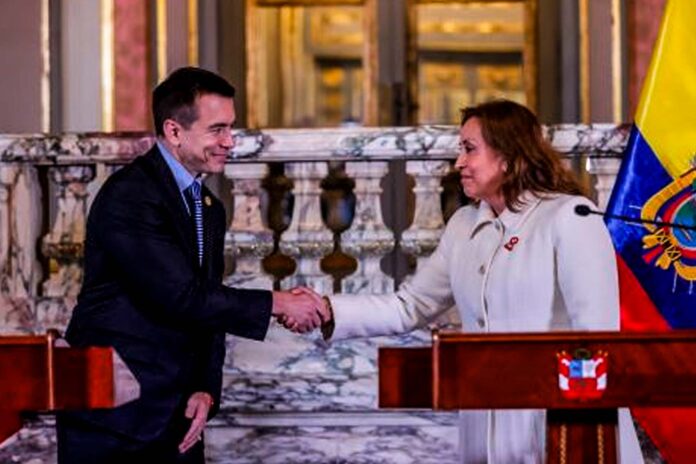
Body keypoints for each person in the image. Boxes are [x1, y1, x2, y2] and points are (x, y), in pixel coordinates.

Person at [317, 100, 644, 463]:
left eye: (469, 149)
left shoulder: (570, 216)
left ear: (508, 156)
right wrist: (325, 310)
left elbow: (597, 341)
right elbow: (409, 306)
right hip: (483, 430)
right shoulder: (462, 225)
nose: (459, 162)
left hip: (561, 432)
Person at [56, 67, 325, 463]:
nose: (229, 141)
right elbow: (182, 296)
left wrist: (205, 388)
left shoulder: (208, 206)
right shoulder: (131, 195)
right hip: (113, 417)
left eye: (231, 128)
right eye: (217, 129)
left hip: (177, 415)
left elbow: (208, 305)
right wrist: (279, 303)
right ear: (174, 131)